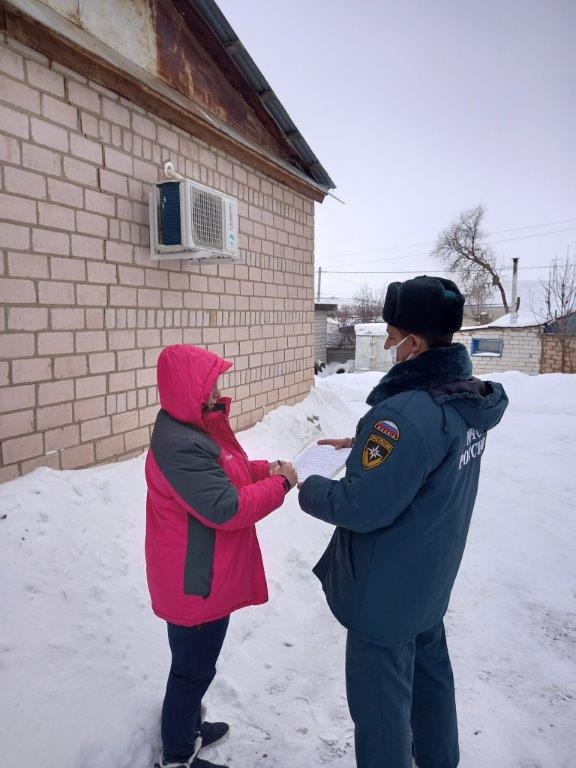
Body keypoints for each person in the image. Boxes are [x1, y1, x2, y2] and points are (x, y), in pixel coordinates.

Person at [298, 275, 509, 768]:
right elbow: (432, 455)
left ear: (415, 343)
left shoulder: (403, 415)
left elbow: (361, 507)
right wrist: (364, 447)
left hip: (385, 595)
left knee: (380, 711)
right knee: (432, 681)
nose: (388, 346)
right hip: (428, 581)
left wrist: (304, 483)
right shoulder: (464, 397)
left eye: (392, 337)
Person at [145, 344, 298, 768]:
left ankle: (189, 727)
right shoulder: (181, 445)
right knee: (191, 671)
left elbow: (227, 472)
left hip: (204, 573)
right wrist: (281, 486)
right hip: (193, 580)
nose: (216, 387)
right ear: (188, 388)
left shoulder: (193, 429)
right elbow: (226, 507)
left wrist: (265, 469)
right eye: (209, 381)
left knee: (197, 666)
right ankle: (177, 756)